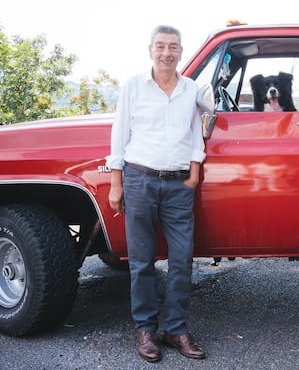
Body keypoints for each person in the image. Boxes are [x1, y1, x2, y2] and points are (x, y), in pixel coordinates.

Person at [106, 25, 209, 363]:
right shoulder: (134, 87)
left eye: (174, 47)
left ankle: (176, 329)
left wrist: (193, 176)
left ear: (181, 51)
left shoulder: (191, 88)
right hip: (140, 179)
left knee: (182, 260)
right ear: (150, 49)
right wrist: (117, 183)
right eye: (161, 46)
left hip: (179, 185)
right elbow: (119, 135)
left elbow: (196, 135)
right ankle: (146, 330)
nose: (167, 52)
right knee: (141, 261)